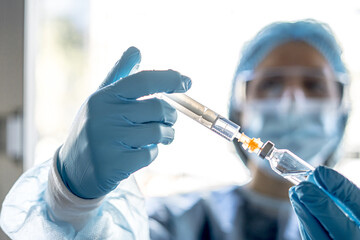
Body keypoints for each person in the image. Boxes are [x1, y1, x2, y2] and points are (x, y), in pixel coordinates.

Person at [1, 19, 359, 240]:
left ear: (342, 111)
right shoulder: (175, 223)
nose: (291, 101)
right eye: (271, 85)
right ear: (239, 106)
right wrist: (72, 202)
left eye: (313, 86)